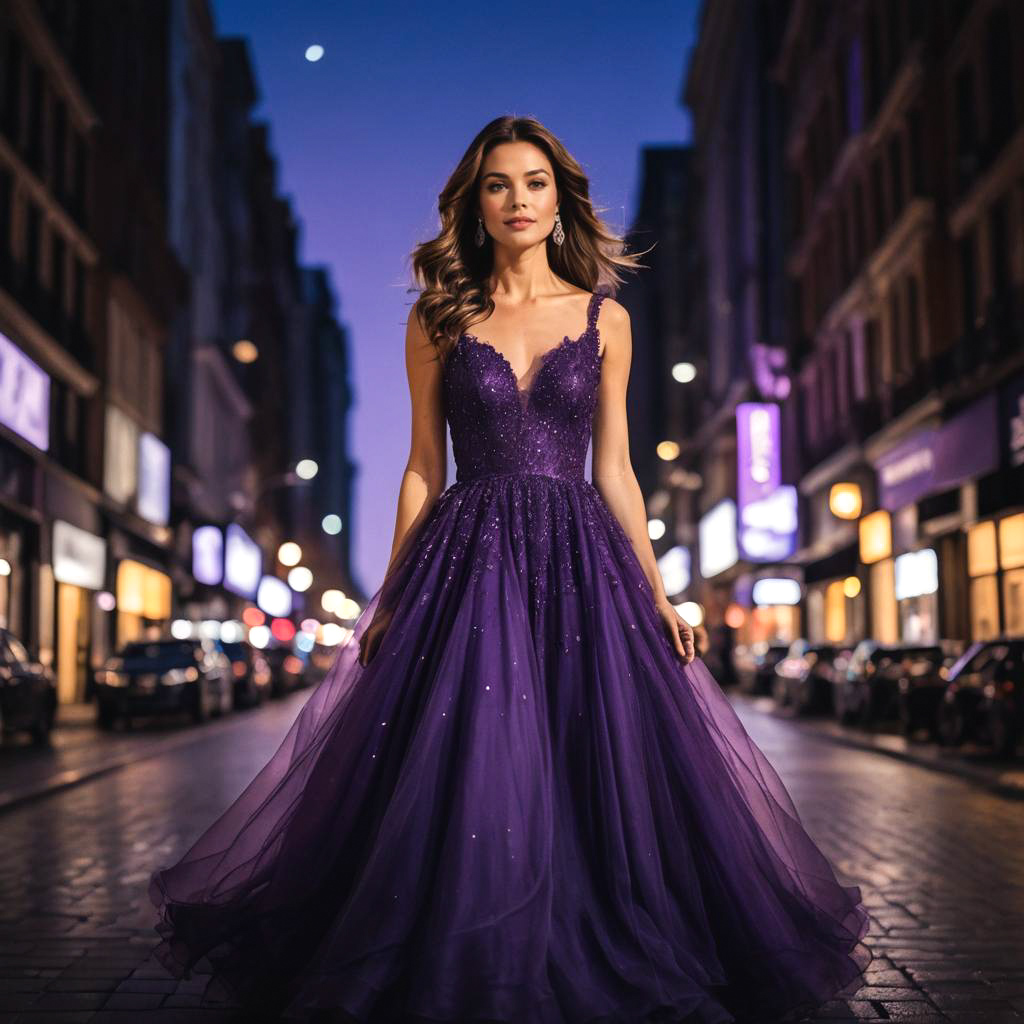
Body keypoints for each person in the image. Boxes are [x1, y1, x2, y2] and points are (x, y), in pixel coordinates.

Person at [149, 115, 873, 1023]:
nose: (518, 200)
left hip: (583, 562)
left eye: (535, 183)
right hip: (470, 560)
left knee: (590, 749)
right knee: (461, 760)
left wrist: (656, 592)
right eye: (499, 184)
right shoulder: (439, 315)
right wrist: (390, 594)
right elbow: (422, 467)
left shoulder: (607, 316)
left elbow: (614, 468)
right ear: (475, 203)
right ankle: (462, 940)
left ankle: (597, 926)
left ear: (560, 198)